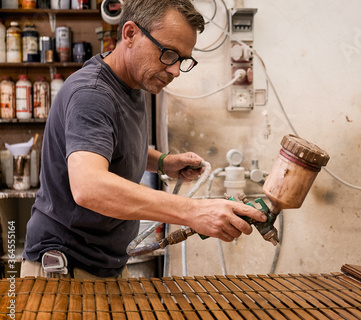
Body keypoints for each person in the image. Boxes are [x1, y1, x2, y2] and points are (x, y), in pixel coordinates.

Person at [21, 0, 267, 279]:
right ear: (129, 34)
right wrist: (193, 211)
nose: (175, 70)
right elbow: (89, 186)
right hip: (66, 268)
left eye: (183, 59)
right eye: (169, 53)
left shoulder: (132, 83)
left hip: (104, 263)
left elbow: (105, 144)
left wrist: (162, 162)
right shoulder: (91, 94)